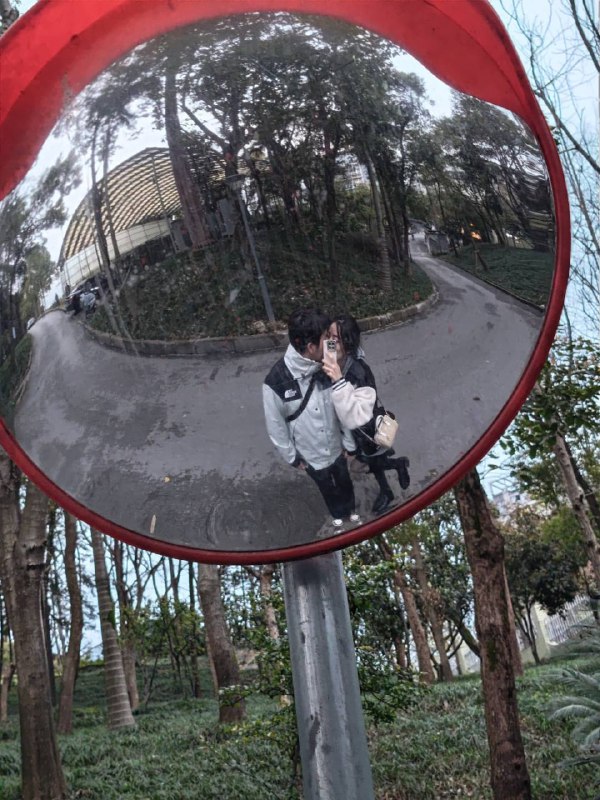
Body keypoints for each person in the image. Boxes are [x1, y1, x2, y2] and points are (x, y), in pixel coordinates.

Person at [263, 308, 359, 528]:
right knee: (326, 488)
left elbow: (342, 403)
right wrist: (293, 458)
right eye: (326, 337)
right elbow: (276, 426)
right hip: (311, 457)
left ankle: (351, 510)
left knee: (344, 481)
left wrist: (349, 443)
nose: (332, 342)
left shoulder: (330, 358)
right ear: (310, 347)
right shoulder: (276, 382)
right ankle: (338, 515)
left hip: (337, 448)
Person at [322, 314, 410, 514]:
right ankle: (397, 465)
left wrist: (337, 381)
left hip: (367, 431)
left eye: (336, 339)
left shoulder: (358, 372)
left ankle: (388, 490)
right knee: (371, 463)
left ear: (348, 343)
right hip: (354, 432)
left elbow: (356, 415)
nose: (330, 343)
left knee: (367, 464)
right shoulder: (336, 359)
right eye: (329, 336)